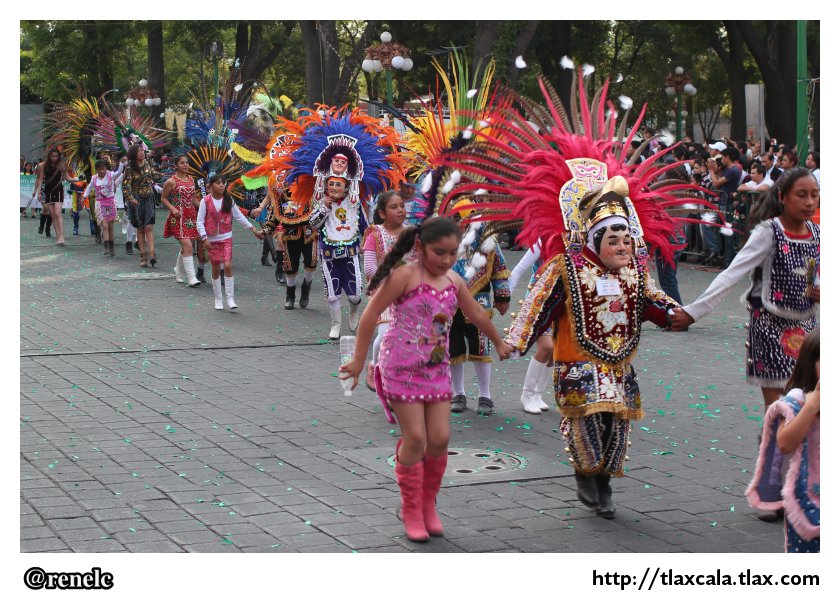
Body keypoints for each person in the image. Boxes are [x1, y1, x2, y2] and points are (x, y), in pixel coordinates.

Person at [339, 216, 513, 542]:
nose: (446, 260)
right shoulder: (404, 276)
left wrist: (500, 341)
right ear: (419, 247)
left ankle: (428, 504)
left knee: (441, 438)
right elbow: (370, 315)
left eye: (452, 253)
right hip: (400, 369)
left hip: (436, 369)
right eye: (439, 252)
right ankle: (410, 508)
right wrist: (360, 360)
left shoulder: (453, 281)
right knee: (416, 438)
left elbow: (475, 312)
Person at [671, 168, 819, 415]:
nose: (809, 202)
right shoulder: (768, 232)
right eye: (801, 195)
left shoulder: (818, 234)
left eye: (815, 195)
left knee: (811, 410)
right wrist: (692, 312)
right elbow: (732, 274)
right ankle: (775, 450)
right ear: (782, 197)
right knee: (780, 413)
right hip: (770, 330)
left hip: (808, 333)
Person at [746, 328, 819, 550]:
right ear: (811, 362)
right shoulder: (797, 400)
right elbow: (785, 443)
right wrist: (813, 405)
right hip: (808, 497)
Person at [448, 215, 511, 416]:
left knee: (481, 347)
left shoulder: (484, 232)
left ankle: (485, 395)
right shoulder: (441, 229)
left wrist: (502, 294)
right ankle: (458, 393)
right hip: (449, 298)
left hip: (479, 296)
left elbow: (499, 265)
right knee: (453, 348)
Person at [361, 190, 411, 390]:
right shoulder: (375, 234)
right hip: (383, 293)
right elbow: (370, 268)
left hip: (408, 295)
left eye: (402, 206)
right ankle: (375, 366)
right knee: (385, 334)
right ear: (381, 213)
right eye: (394, 207)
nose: (400, 210)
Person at [310, 174, 367, 338]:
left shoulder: (354, 203)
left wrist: (368, 244)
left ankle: (354, 310)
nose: (334, 188)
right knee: (333, 294)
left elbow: (365, 226)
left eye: (338, 184)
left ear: (346, 187)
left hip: (350, 254)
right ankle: (336, 325)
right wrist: (325, 208)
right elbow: (314, 224)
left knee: (355, 294)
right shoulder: (321, 202)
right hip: (329, 255)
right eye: (331, 184)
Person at [196, 173, 263, 310]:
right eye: (218, 183)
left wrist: (253, 229)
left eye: (223, 183)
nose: (221, 185)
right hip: (212, 240)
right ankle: (218, 299)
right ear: (211, 186)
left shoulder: (229, 200)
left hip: (226, 238)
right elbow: (200, 222)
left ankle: (230, 298)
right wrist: (204, 238)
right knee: (215, 268)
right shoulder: (205, 201)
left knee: (227, 265)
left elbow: (238, 216)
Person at [259, 177, 318, 309]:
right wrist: (264, 231)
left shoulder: (310, 192)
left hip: (309, 233)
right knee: (291, 267)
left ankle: (306, 287)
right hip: (290, 235)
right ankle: (290, 296)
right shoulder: (280, 196)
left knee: (311, 262)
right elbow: (273, 218)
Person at [508, 241, 553, 414]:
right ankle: (527, 395)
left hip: (561, 301)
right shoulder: (543, 239)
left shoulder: (575, 237)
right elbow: (520, 268)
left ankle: (537, 394)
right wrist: (505, 294)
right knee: (546, 346)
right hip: (539, 299)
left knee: (555, 351)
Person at [161, 154, 202, 287]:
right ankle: (191, 278)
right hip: (177, 217)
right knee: (188, 246)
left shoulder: (191, 179)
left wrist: (204, 207)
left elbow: (194, 198)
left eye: (187, 163)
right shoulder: (171, 181)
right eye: (182, 163)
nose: (186, 165)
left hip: (190, 216)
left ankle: (178, 270)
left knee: (188, 244)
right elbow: (163, 198)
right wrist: (173, 209)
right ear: (176, 165)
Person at [122, 144, 163, 267]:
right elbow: (125, 186)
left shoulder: (147, 164)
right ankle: (143, 255)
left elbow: (153, 175)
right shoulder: (129, 168)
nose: (141, 153)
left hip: (149, 198)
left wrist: (166, 175)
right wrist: (131, 199)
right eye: (138, 151)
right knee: (140, 228)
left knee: (149, 227)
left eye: (142, 150)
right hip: (137, 200)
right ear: (134, 154)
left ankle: (152, 253)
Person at [31, 149, 77, 246]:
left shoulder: (61, 165)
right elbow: (40, 179)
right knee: (52, 215)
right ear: (49, 156)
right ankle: (58, 236)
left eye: (56, 156)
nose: (54, 158)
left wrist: (77, 179)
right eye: (52, 156)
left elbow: (67, 178)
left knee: (57, 213)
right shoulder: (42, 166)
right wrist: (38, 192)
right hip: (47, 191)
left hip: (58, 190)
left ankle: (62, 236)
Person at [82, 157, 127, 256]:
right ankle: (106, 246)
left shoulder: (110, 175)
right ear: (97, 169)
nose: (102, 171)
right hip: (100, 203)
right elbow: (89, 187)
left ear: (106, 168)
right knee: (104, 225)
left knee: (111, 226)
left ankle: (112, 247)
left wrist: (121, 164)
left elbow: (119, 173)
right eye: (99, 169)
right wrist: (84, 196)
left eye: (103, 169)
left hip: (110, 202)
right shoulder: (94, 178)